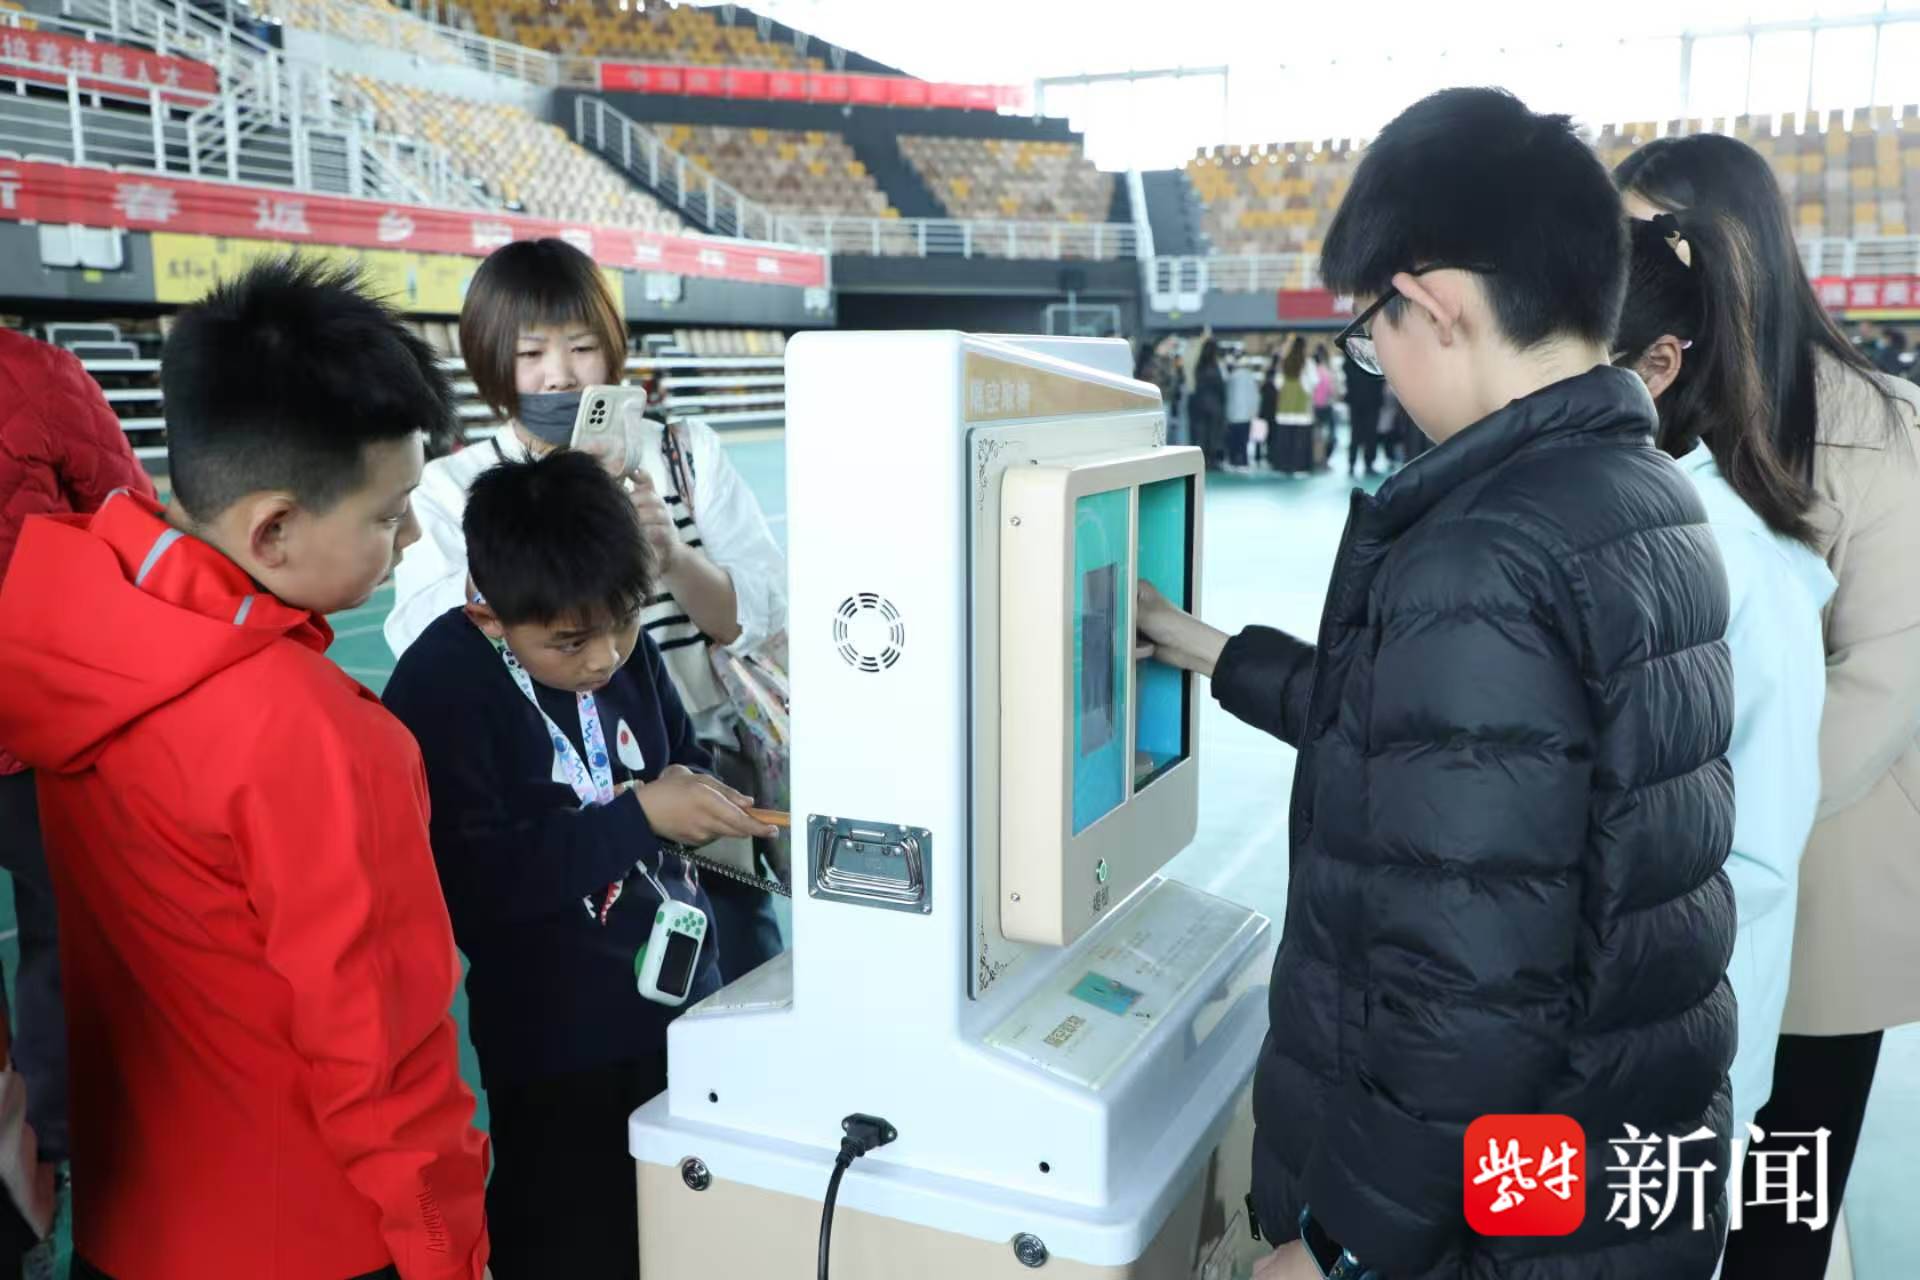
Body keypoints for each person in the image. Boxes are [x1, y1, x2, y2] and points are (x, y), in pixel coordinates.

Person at [1137, 88, 1734, 1280]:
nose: (1380, 363)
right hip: (1606, 1181)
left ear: (1438, 303)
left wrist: (1344, 1246)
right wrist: (1211, 649)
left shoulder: (1483, 553)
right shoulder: (1645, 495)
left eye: (1374, 331)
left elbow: (1466, 986)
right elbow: (1442, 756)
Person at [0, 259, 492, 1279]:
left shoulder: (61, 634)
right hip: (310, 1240)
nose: (410, 537)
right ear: (271, 527)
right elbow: (384, 1063)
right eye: (389, 513)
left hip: (130, 1230)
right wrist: (448, 1256)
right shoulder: (322, 737)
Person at [1618, 133, 1920, 1280]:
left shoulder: (1878, 429)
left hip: (1818, 889)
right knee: (1666, 1195)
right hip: (1670, 890)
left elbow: (1880, 683)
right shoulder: (1655, 397)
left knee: (1779, 1209)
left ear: (1715, 247)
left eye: (1640, 238)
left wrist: (1685, 820)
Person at [384, 451, 772, 1280]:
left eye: (624, 622)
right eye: (568, 642)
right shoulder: (440, 685)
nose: (604, 658)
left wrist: (696, 801)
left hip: (681, 1004)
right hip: (556, 1042)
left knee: (687, 1230)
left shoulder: (626, 648)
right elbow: (474, 885)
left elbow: (681, 757)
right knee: (573, 1237)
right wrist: (635, 817)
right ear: (488, 612)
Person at [385, 238, 790, 985]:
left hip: (695, 769)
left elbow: (755, 621)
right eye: (530, 353)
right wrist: (549, 523)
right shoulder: (451, 487)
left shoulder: (682, 454)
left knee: (741, 979)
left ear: (612, 348)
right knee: (586, 988)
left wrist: (672, 556)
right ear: (491, 363)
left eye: (581, 347)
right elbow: (426, 638)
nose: (561, 374)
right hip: (552, 793)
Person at [1614, 212, 1835, 1161]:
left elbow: (1753, 860)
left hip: (1668, 1068)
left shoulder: (1723, 553)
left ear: (1659, 365)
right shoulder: (1659, 523)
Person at [0, 328, 149, 1262]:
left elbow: (123, 518)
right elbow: (128, 525)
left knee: (65, 943)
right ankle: (52, 1150)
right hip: (45, 723)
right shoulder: (34, 371)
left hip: (40, 731)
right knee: (65, 943)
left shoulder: (36, 372)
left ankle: (43, 1153)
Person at [1268, 336, 1313, 474]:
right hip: (1301, 410)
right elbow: (1313, 382)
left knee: (1284, 440)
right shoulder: (1307, 363)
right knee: (1300, 442)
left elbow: (1277, 383)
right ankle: (1299, 467)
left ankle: (1284, 466)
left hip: (1285, 409)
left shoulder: (1283, 362)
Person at [1343, 359, 1385, 477]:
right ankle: (1366, 464)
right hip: (1369, 401)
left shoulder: (1351, 359)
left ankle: (1355, 464)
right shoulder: (1373, 359)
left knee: (1358, 434)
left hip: (1359, 401)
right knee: (1368, 434)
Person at [1190, 338, 1226, 469]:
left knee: (1202, 434)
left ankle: (1203, 460)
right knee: (1214, 434)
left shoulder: (1199, 366)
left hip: (1200, 404)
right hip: (1214, 404)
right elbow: (1220, 388)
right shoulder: (1215, 367)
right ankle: (1212, 460)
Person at [1224, 355, 1260, 470]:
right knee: (1244, 440)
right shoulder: (1251, 377)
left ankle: (1232, 461)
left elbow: (1228, 395)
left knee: (1233, 440)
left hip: (1233, 414)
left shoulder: (1232, 377)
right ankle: (1243, 462)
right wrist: (1255, 411)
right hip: (1246, 415)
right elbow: (1255, 396)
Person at [1308, 344, 1338, 460]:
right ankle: (1324, 458)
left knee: (1317, 435)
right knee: (1329, 435)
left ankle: (1318, 458)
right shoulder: (1327, 371)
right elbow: (1332, 391)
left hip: (1314, 408)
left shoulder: (1312, 372)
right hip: (1326, 406)